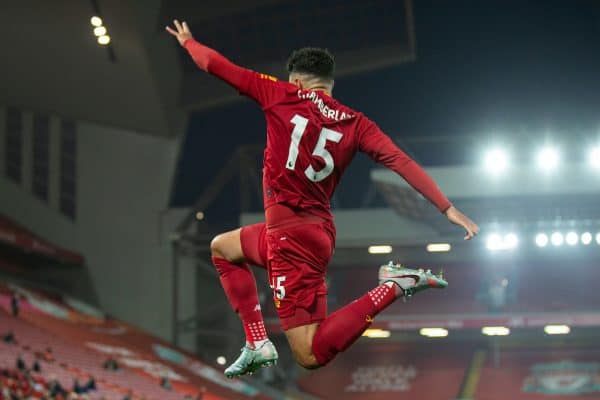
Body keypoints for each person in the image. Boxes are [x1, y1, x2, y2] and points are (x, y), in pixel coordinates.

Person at [166, 20, 479, 377]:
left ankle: (392, 287)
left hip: (289, 240)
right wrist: (447, 208)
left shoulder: (281, 93)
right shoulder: (356, 123)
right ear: (330, 85)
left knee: (309, 355)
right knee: (223, 247)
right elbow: (400, 161)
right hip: (315, 232)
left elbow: (214, 65)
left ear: (296, 81)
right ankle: (256, 342)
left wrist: (189, 42)